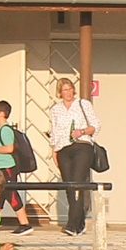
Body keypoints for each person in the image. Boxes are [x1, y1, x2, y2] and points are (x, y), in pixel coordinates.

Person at [48, 77, 101, 237]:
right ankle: (80, 223)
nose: (68, 92)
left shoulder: (83, 104)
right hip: (63, 148)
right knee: (69, 186)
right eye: (65, 90)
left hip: (82, 146)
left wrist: (82, 131)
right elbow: (54, 131)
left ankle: (72, 224)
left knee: (78, 183)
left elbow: (96, 125)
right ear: (60, 92)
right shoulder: (56, 109)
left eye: (70, 89)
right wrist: (54, 151)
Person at [0, 100, 34, 236]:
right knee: (0, 195)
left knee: (11, 193)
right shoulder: (0, 130)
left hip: (7, 167)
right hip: (1, 167)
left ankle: (24, 223)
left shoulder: (5, 130)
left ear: (2, 113)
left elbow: (9, 148)